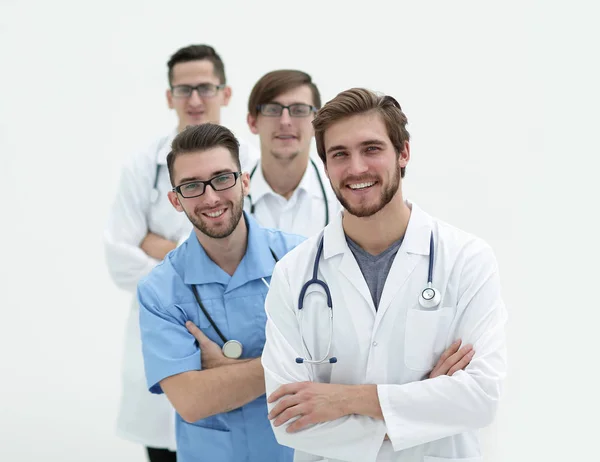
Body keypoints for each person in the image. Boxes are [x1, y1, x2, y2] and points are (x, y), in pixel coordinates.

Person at [261, 88, 508, 462]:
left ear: (403, 152)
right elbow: (288, 419)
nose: (356, 168)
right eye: (339, 154)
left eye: (371, 149)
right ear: (325, 166)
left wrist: (344, 399)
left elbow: (481, 398)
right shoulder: (293, 274)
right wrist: (426, 404)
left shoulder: (466, 260)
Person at [103, 44, 258, 461]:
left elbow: (261, 253)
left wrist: (159, 246)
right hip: (169, 353)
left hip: (251, 369)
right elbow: (120, 259)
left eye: (205, 88)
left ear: (225, 93)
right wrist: (206, 257)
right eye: (183, 89)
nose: (193, 100)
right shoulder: (141, 167)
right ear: (168, 96)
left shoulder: (254, 163)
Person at [136, 123, 303, 462]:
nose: (211, 197)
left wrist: (228, 371)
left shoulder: (298, 262)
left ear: (244, 181)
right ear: (175, 200)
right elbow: (192, 401)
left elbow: (339, 365)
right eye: (192, 186)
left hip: (299, 451)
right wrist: (291, 364)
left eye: (222, 178)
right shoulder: (160, 290)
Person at [245, 70, 340, 237]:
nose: (285, 121)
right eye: (273, 110)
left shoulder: (341, 197)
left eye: (299, 110)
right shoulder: (227, 197)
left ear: (317, 123)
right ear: (253, 122)